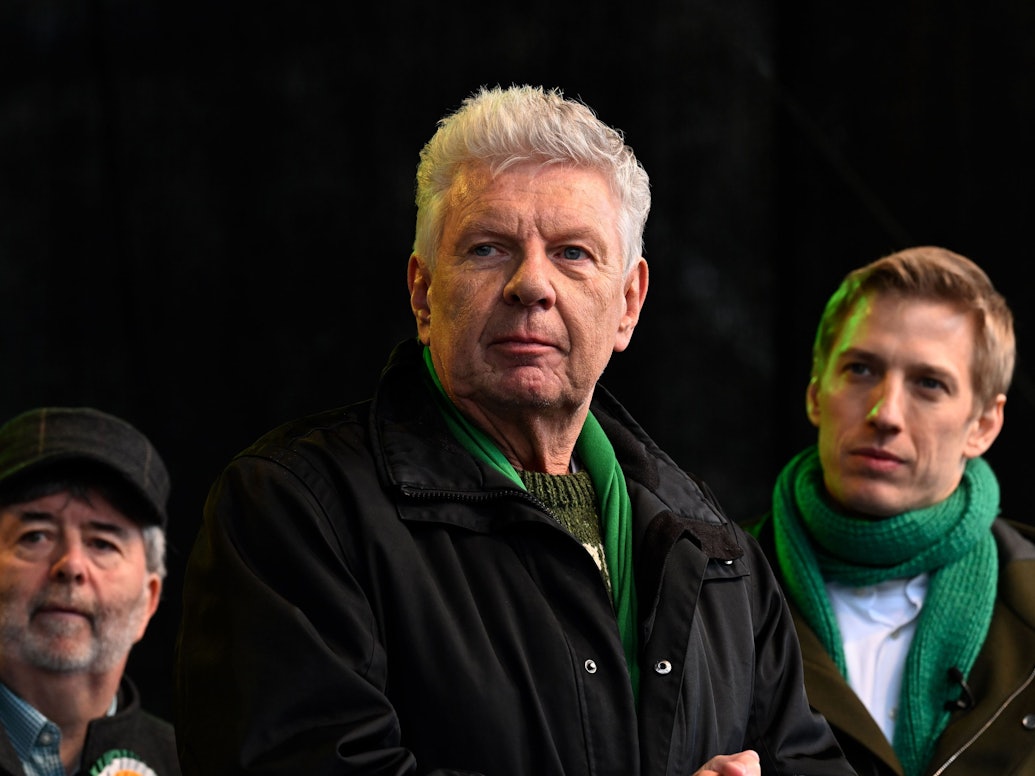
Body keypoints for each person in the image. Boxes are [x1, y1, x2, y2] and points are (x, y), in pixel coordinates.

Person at [174, 84, 855, 776]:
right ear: (421, 293)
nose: (531, 284)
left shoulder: (714, 550)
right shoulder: (295, 511)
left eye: (572, 253)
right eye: (487, 249)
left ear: (628, 304)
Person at [747, 246, 1035, 776]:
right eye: (860, 369)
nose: (886, 413)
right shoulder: (706, 587)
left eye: (929, 384)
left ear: (984, 425)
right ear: (815, 391)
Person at [0, 406, 181, 776]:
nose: (71, 565)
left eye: (102, 543)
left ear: (148, 600)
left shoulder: (197, 765)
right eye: (35, 536)